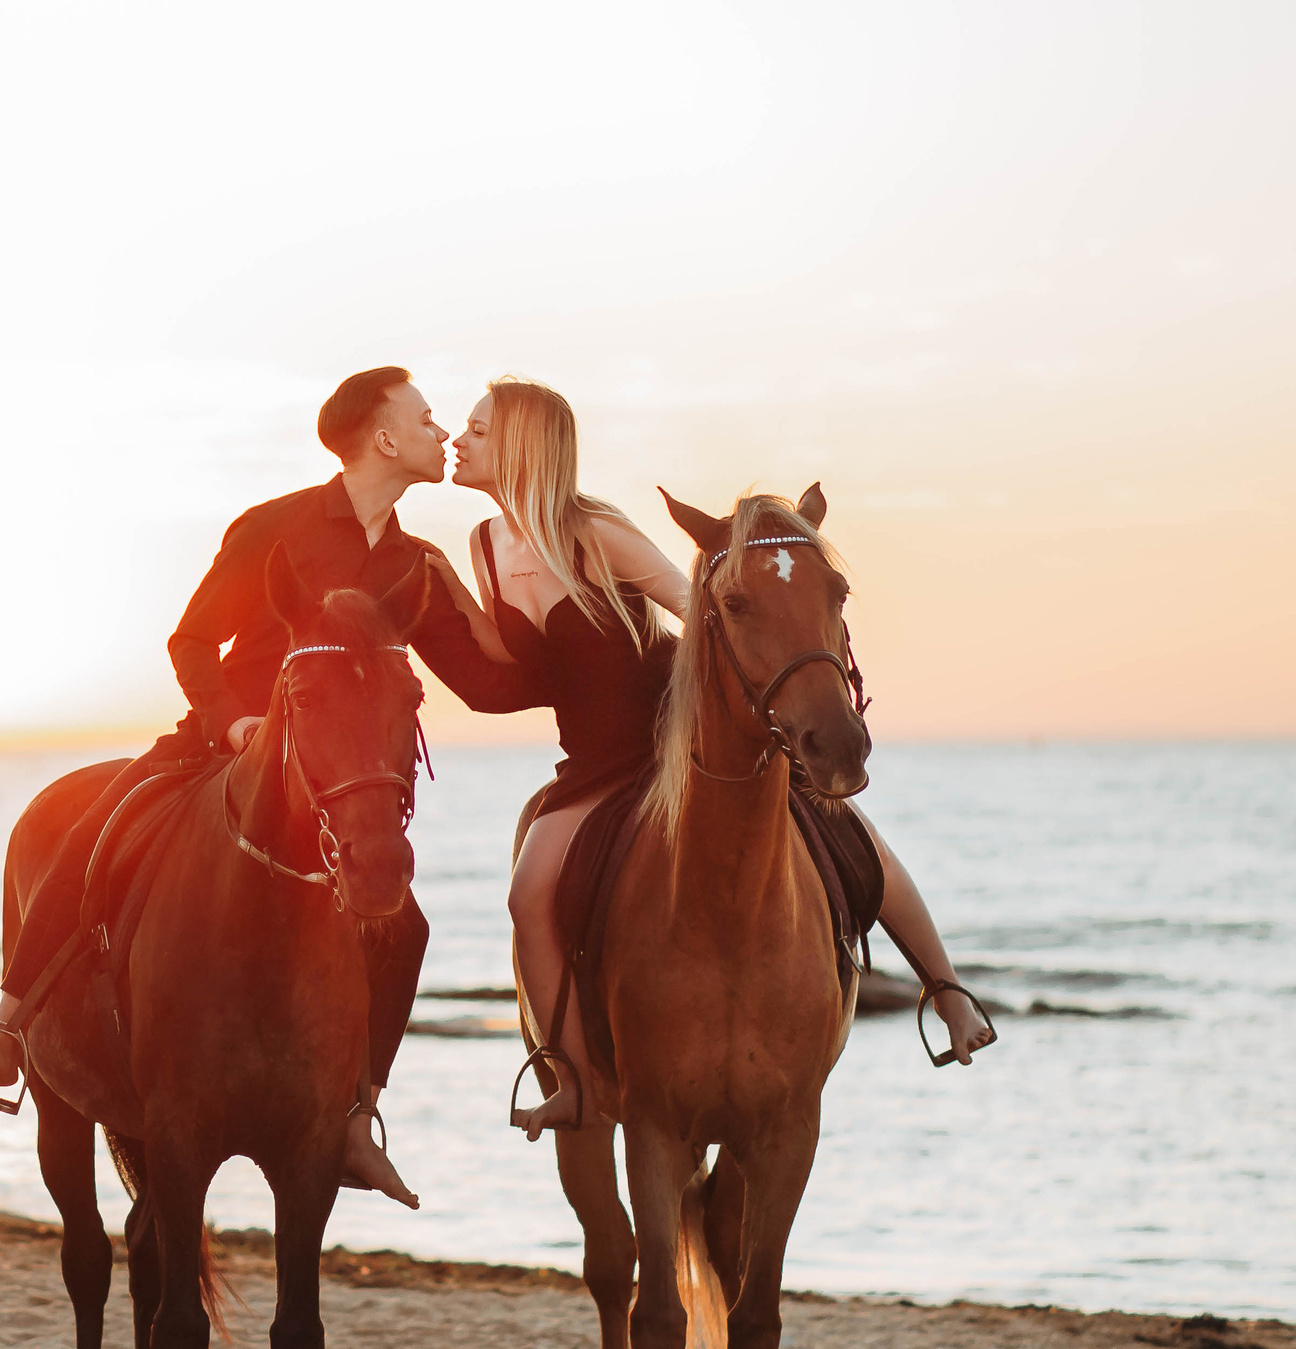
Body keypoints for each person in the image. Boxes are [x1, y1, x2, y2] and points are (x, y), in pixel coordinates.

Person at [0, 366, 470, 1209]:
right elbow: (190, 642)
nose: (443, 432)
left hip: (327, 795)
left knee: (403, 926)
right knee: (88, 838)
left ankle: (356, 1115)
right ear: (384, 437)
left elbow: (488, 680)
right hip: (216, 752)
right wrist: (234, 724)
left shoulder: (417, 566)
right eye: (429, 418)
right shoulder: (271, 528)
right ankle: (4, 1031)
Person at [415, 377, 995, 1139]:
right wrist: (437, 587)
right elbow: (505, 657)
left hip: (674, 742)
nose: (460, 439)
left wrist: (758, 709)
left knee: (850, 833)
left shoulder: (598, 534)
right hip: (593, 762)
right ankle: (574, 1081)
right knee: (529, 896)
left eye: (478, 430)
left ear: (524, 446)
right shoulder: (485, 546)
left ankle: (947, 992)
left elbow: (710, 610)